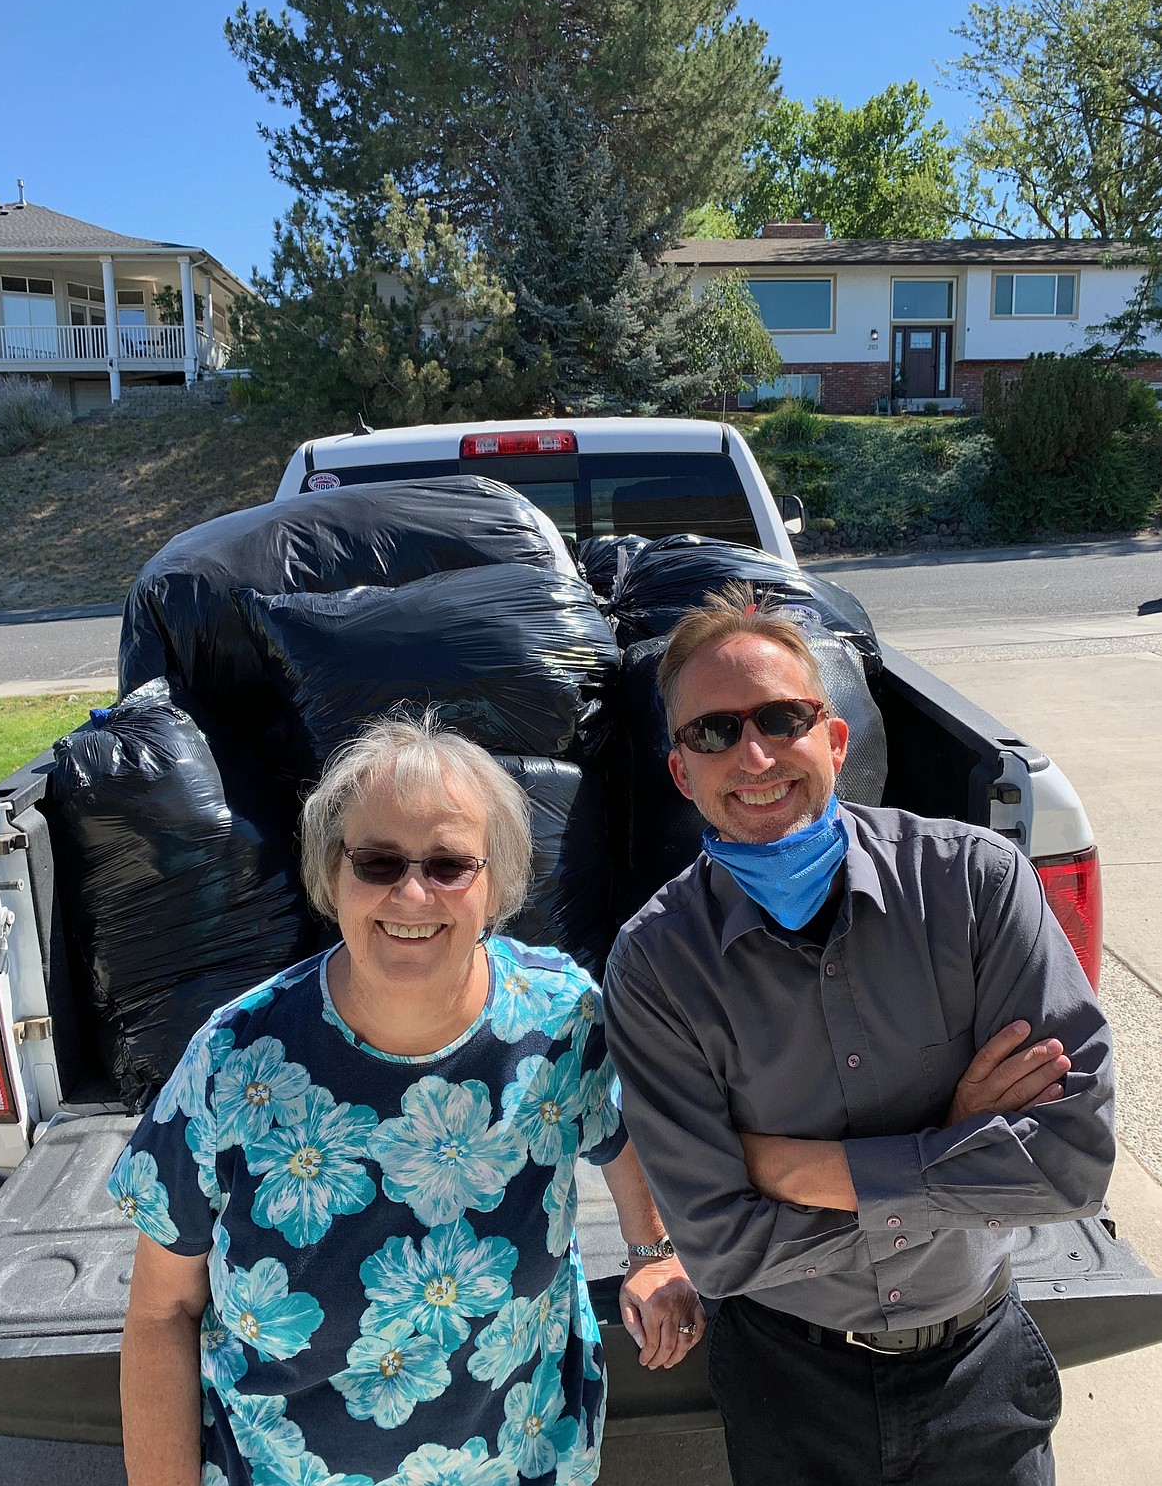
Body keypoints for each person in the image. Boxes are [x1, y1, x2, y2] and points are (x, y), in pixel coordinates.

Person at [602, 585, 1116, 1486]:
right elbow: (723, 1248)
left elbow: (1071, 1161)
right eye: (714, 732)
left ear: (834, 740)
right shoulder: (656, 965)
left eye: (781, 717)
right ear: (683, 773)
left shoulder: (975, 885)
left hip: (980, 1361)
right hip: (785, 1378)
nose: (753, 753)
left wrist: (797, 1170)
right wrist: (958, 1143)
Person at [108, 713, 703, 1486]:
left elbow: (617, 1127)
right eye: (378, 862)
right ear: (333, 876)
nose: (413, 893)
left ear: (496, 883)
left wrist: (652, 1252)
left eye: (450, 864)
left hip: (523, 1462)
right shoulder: (234, 1063)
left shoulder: (559, 1018)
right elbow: (161, 1315)